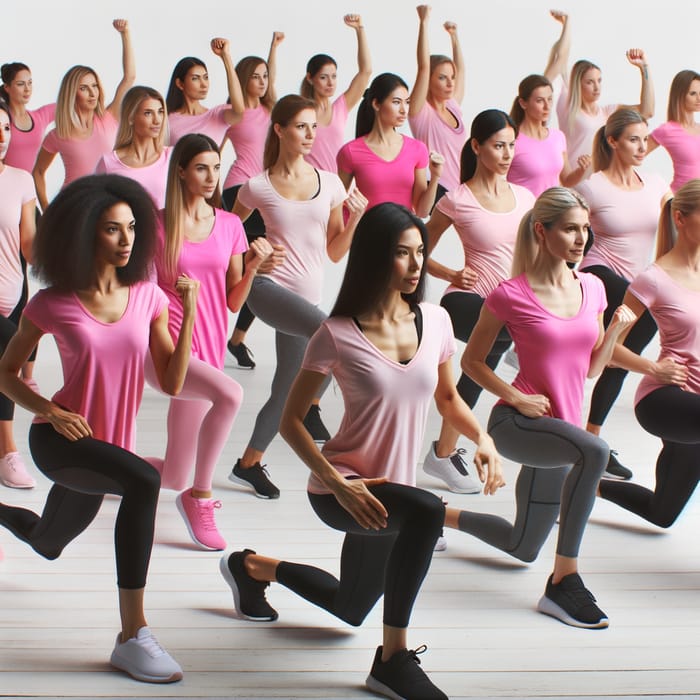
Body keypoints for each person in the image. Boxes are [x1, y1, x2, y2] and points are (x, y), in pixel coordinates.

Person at [219, 202, 502, 700]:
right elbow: (290, 421)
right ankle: (392, 660)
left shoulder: (434, 321)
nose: (416, 265)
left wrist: (483, 438)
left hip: (394, 492)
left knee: (349, 608)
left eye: (421, 253)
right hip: (343, 490)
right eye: (402, 254)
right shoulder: (338, 333)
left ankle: (248, 567)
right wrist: (335, 482)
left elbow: (449, 399)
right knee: (428, 512)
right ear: (374, 257)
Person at [0, 174, 197, 682]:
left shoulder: (149, 296)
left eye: (132, 227)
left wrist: (190, 308)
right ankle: (133, 635)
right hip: (60, 439)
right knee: (146, 481)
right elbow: (4, 372)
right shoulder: (51, 304)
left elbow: (173, 383)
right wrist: (49, 407)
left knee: (47, 542)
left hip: (110, 446)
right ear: (86, 233)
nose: (127, 238)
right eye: (113, 229)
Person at [451, 186, 635, 629]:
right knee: (597, 450)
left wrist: (613, 333)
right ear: (542, 230)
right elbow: (472, 362)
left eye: (585, 230)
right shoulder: (510, 294)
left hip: (562, 430)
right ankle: (564, 581)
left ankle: (432, 515)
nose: (580, 238)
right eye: (570, 229)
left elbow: (590, 369)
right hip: (520, 423)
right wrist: (514, 397)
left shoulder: (591, 287)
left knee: (522, 546)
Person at [229, 94, 367, 499]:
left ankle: (248, 464)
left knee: (285, 390)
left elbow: (335, 251)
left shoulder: (330, 184)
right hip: (267, 290)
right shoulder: (258, 186)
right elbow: (224, 232)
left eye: (313, 127)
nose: (310, 134)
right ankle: (349, 411)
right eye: (301, 127)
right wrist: (252, 256)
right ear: (280, 130)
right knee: (333, 333)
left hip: (305, 297)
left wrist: (356, 216)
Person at [147, 133, 272, 550]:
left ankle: (104, 468)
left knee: (172, 475)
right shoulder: (156, 226)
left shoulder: (232, 225)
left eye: (217, 167)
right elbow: (145, 296)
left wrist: (253, 265)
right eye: (201, 167)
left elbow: (233, 301)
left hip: (209, 348)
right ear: (180, 171)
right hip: (165, 350)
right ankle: (200, 497)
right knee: (232, 395)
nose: (211, 176)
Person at [423, 109, 535, 493]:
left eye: (511, 146)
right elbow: (418, 249)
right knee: (495, 342)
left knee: (478, 366)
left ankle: (443, 453)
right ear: (476, 146)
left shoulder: (525, 197)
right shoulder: (457, 199)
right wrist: (450, 274)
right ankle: (446, 452)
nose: (506, 154)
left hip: (509, 304)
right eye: (498, 146)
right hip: (467, 299)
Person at [598, 179, 700, 527]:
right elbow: (608, 349)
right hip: (664, 399)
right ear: (681, 217)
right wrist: (653, 369)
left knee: (663, 514)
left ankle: (585, 486)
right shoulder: (653, 280)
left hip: (695, 408)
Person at [577, 109, 670, 479]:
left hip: (639, 283)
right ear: (612, 141)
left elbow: (678, 226)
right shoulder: (592, 187)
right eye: (633, 138)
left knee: (620, 358)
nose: (642, 146)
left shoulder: (656, 183)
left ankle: (593, 440)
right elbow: (568, 235)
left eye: (645, 139)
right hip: (599, 273)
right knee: (640, 321)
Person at [220, 34, 284, 369]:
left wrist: (273, 48)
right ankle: (216, 330)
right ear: (243, 80)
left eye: (265, 76)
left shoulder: (271, 110)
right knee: (232, 262)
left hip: (264, 190)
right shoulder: (236, 111)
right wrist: (228, 58)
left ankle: (237, 338)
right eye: (255, 76)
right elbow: (211, 149)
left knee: (259, 267)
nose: (262, 81)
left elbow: (272, 79)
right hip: (237, 188)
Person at [32, 19, 135, 211]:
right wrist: (46, 209)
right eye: (84, 88)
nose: (92, 92)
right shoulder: (58, 134)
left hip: (108, 202)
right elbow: (37, 172)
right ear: (72, 93)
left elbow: (129, 78)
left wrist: (125, 33)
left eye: (94, 86)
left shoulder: (109, 117)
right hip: (73, 206)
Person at [544, 10, 654, 178]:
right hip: (574, 182)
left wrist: (644, 68)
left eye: (599, 81)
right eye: (590, 82)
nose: (597, 87)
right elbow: (560, 59)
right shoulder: (567, 106)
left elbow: (647, 111)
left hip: (600, 182)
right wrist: (567, 24)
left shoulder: (607, 112)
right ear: (577, 85)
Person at [337, 73, 442, 217]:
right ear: (376, 104)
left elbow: (422, 212)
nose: (404, 110)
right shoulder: (350, 152)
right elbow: (337, 207)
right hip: (367, 235)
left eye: (407, 102)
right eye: (397, 102)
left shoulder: (417, 149)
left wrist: (435, 176)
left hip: (405, 236)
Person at [0, 100, 36, 489]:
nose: (1, 137)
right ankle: (8, 450)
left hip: (11, 296)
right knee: (10, 354)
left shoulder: (22, 179)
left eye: (6, 128)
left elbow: (29, 243)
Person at [166, 35, 282, 147]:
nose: (204, 84)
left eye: (206, 77)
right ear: (180, 84)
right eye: (195, 78)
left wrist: (225, 56)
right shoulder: (167, 120)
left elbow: (239, 110)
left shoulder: (216, 115)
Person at [302, 13, 372, 173]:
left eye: (334, 76)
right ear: (310, 78)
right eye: (323, 77)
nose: (330, 82)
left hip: (338, 186)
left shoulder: (340, 107)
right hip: (310, 187)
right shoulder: (302, 113)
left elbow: (366, 71)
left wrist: (360, 30)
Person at [408, 4, 465, 197]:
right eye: (442, 78)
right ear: (429, 81)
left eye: (452, 77)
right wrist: (423, 22)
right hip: (435, 190)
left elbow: (461, 71)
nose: (450, 83)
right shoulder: (421, 113)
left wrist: (454, 37)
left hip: (461, 190)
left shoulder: (453, 106)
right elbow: (423, 66)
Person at [508, 73, 589, 197]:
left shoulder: (558, 137)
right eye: (540, 100)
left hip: (553, 212)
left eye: (550, 99)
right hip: (526, 214)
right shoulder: (512, 141)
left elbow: (566, 180)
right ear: (523, 103)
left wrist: (582, 170)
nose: (547, 106)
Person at [95, 86, 172, 208]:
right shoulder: (108, 162)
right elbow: (98, 208)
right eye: (148, 113)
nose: (157, 120)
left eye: (160, 112)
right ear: (130, 118)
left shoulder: (172, 157)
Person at [646, 70, 700, 193]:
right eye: (693, 93)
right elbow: (631, 154)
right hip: (682, 201)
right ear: (680, 95)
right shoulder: (667, 130)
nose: (699, 98)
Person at [1, 62, 55, 174]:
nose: (27, 89)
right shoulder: (3, 121)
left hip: (30, 188)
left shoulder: (40, 117)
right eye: (20, 84)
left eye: (29, 83)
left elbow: (69, 105)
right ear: (7, 87)